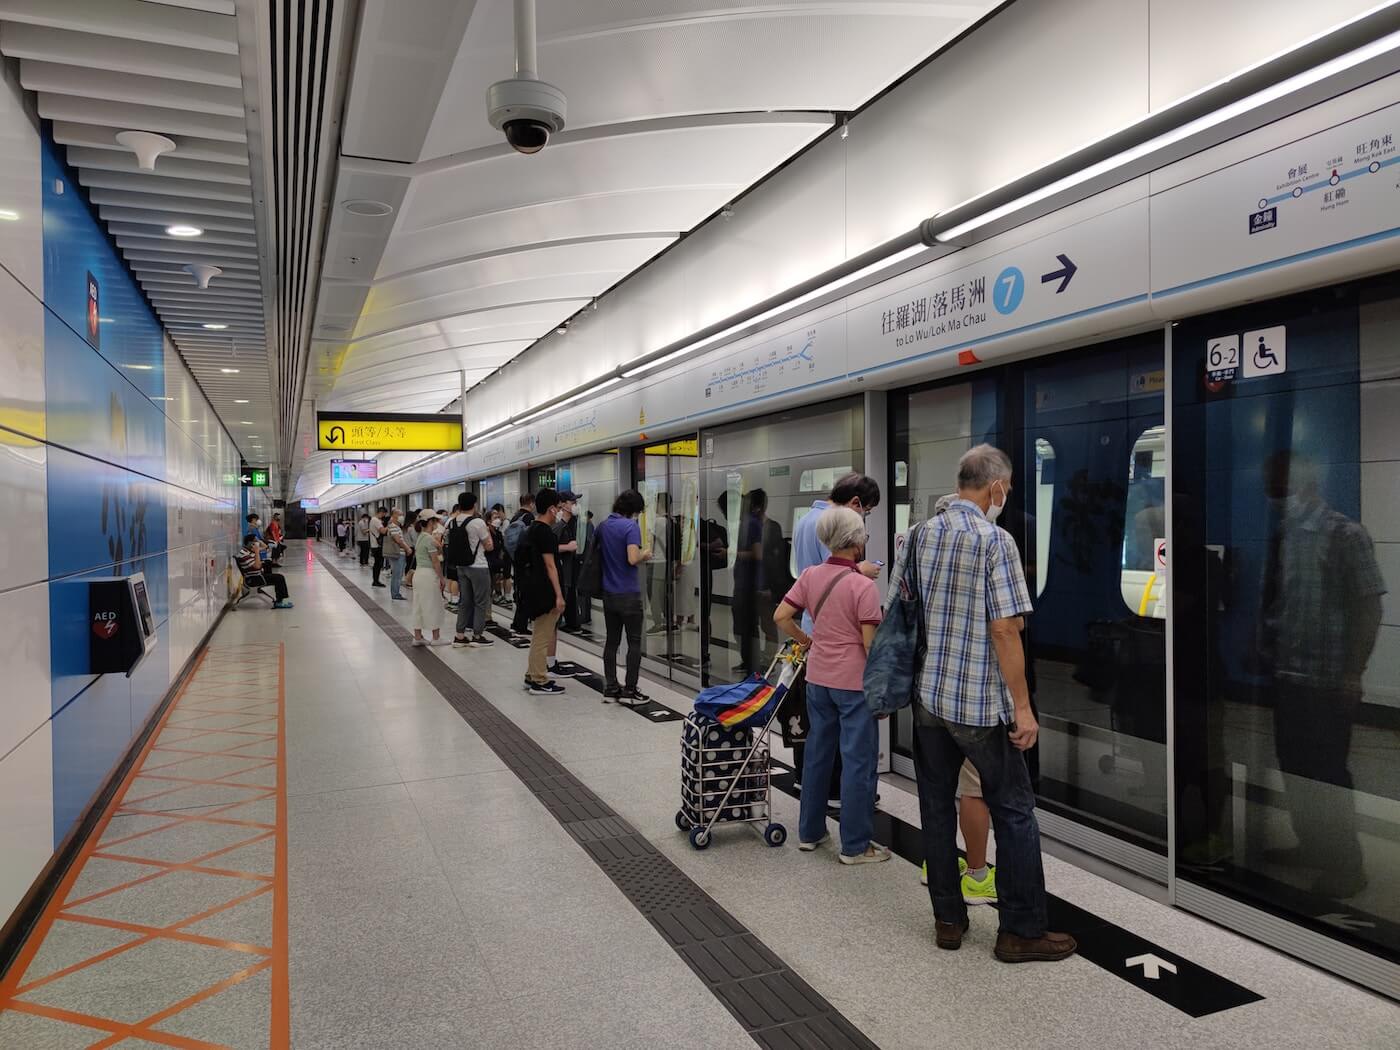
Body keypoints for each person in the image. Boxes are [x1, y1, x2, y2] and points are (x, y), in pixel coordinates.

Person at [906, 444, 1074, 962]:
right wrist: (1023, 709)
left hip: (930, 697)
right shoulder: (994, 541)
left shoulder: (915, 536)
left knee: (935, 809)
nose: (1006, 497)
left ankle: (948, 921)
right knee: (1015, 811)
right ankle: (1021, 931)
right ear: (995, 487)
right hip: (979, 704)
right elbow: (1005, 628)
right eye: (1008, 490)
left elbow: (905, 609)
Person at [1258, 451, 1384, 896]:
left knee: (1327, 769)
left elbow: (1369, 608)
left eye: (1276, 486)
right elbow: (1279, 601)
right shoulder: (1286, 534)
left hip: (1327, 681)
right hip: (1289, 675)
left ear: (1303, 485)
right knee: (1294, 765)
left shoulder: (1344, 534)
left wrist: (1353, 673)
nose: (1271, 495)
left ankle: (1347, 867)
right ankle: (1312, 846)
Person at [774, 506, 887, 864]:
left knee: (817, 755)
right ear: (855, 542)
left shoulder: (810, 575)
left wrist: (807, 641)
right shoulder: (862, 585)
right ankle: (855, 846)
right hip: (853, 685)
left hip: (817, 679)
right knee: (857, 762)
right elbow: (870, 645)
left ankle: (810, 832)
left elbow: (781, 616)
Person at [912, 494, 996, 905]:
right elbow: (1004, 631)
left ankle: (937, 865)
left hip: (928, 693)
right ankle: (978, 875)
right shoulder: (987, 553)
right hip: (969, 698)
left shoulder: (922, 559)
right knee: (974, 789)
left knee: (937, 788)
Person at [789, 473, 882, 799]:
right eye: (866, 512)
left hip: (813, 633)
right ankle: (841, 792)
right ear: (855, 503)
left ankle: (808, 784)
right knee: (845, 731)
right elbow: (835, 571)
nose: (863, 520)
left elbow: (813, 577)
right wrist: (862, 572)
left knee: (813, 724)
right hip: (836, 637)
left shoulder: (806, 520)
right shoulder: (830, 524)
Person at [596, 489, 653, 704]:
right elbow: (632, 558)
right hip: (628, 593)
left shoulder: (603, 526)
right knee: (634, 643)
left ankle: (611, 686)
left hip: (609, 593)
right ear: (634, 510)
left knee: (611, 642)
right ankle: (630, 689)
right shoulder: (630, 527)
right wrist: (645, 554)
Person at [518, 489, 566, 694]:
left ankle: (531, 675)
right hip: (545, 590)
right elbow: (550, 566)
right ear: (551, 508)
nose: (561, 511)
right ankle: (539, 680)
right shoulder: (545, 532)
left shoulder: (531, 528)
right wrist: (559, 595)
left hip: (533, 588)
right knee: (543, 636)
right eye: (559, 507)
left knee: (539, 633)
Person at [449, 492, 496, 649]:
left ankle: (459, 636)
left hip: (461, 566)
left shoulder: (452, 521)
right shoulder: (477, 522)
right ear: (474, 505)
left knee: (465, 602)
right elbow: (489, 546)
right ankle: (477, 635)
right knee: (481, 602)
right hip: (478, 567)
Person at [409, 510, 446, 645]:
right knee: (433, 604)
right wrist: (442, 578)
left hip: (418, 574)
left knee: (418, 605)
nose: (437, 523)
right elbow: (435, 562)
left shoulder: (421, 537)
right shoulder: (430, 539)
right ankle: (436, 638)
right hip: (428, 575)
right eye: (436, 520)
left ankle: (417, 637)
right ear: (430, 522)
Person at [236, 533, 293, 608]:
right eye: (255, 541)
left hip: (256, 576)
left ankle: (279, 599)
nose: (257, 543)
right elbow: (257, 566)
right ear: (250, 543)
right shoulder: (244, 554)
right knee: (279, 578)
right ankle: (279, 602)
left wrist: (258, 542)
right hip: (254, 579)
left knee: (268, 563)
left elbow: (265, 547)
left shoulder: (248, 550)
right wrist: (256, 552)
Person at [507, 494, 537, 636]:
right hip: (526, 563)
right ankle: (521, 625)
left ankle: (518, 623)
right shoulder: (528, 518)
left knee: (520, 592)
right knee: (526, 594)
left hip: (516, 560)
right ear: (531, 503)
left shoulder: (515, 517)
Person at [553, 491, 581, 631]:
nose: (576, 505)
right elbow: (549, 547)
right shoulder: (558, 525)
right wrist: (567, 547)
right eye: (573, 502)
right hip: (561, 571)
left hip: (571, 570)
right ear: (563, 505)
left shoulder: (575, 523)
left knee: (570, 598)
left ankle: (572, 623)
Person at [384, 507, 411, 601]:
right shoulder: (393, 526)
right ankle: (395, 594)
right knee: (397, 574)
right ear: (393, 515)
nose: (402, 516)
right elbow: (398, 540)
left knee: (398, 574)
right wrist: (407, 548)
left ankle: (395, 593)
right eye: (399, 514)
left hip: (399, 553)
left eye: (402, 515)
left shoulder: (396, 526)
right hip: (398, 553)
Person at [369, 507, 387, 587]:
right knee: (378, 564)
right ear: (381, 512)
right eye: (383, 514)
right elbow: (383, 531)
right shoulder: (376, 520)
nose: (383, 516)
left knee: (377, 563)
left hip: (374, 545)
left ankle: (376, 580)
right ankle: (376, 581)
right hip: (377, 545)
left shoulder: (373, 520)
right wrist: (389, 525)